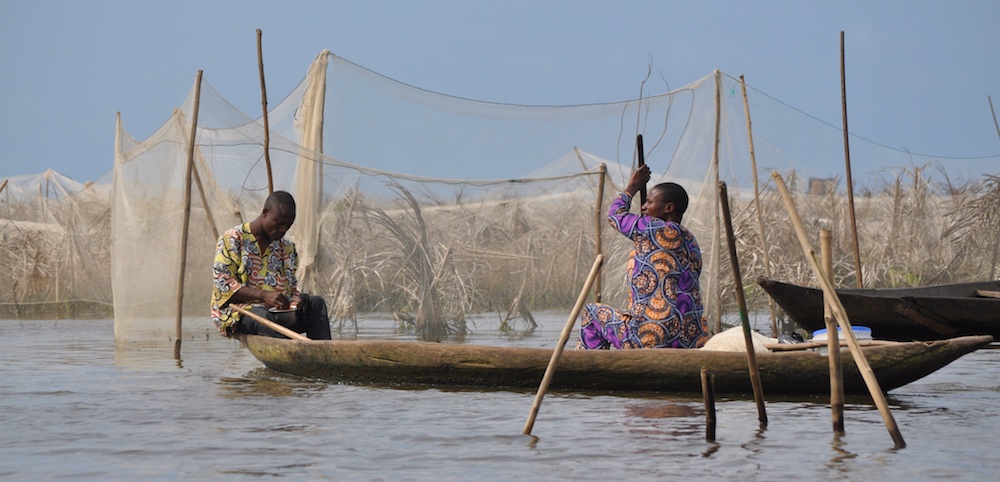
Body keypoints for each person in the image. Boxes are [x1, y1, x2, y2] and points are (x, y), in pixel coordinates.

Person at [577, 165, 708, 349]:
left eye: (649, 202)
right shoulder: (691, 241)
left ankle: (594, 374)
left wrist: (633, 186)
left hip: (650, 335)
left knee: (592, 313)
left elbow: (615, 216)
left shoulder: (653, 228)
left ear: (668, 207)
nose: (643, 207)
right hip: (691, 338)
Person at [210, 190, 332, 340]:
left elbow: (291, 288)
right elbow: (224, 286)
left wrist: (294, 304)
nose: (283, 229)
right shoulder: (233, 239)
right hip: (240, 312)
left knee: (315, 304)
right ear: (265, 213)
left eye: (288, 225)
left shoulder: (287, 247)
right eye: (279, 223)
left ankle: (322, 354)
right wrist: (264, 296)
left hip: (279, 314)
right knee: (263, 317)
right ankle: (290, 355)